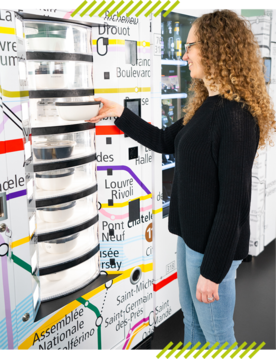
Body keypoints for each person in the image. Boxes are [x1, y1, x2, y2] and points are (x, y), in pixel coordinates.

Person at [87, 9, 276, 351]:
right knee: (193, 325)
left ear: (216, 48)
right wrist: (120, 113)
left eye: (190, 46)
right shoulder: (207, 107)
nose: (184, 54)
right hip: (191, 240)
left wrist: (213, 271)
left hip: (210, 250)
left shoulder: (235, 118)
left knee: (217, 340)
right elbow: (163, 141)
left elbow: (232, 204)